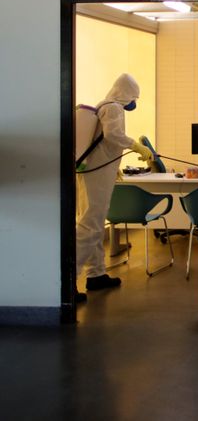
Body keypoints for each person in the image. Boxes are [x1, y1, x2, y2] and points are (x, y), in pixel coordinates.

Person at [75, 73, 153, 302]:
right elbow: (113, 135)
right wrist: (136, 146)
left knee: (95, 224)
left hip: (94, 171)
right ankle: (68, 279)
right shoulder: (115, 108)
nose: (134, 103)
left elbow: (101, 142)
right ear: (126, 94)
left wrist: (112, 165)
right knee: (89, 226)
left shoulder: (104, 106)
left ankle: (96, 273)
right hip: (96, 175)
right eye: (134, 97)